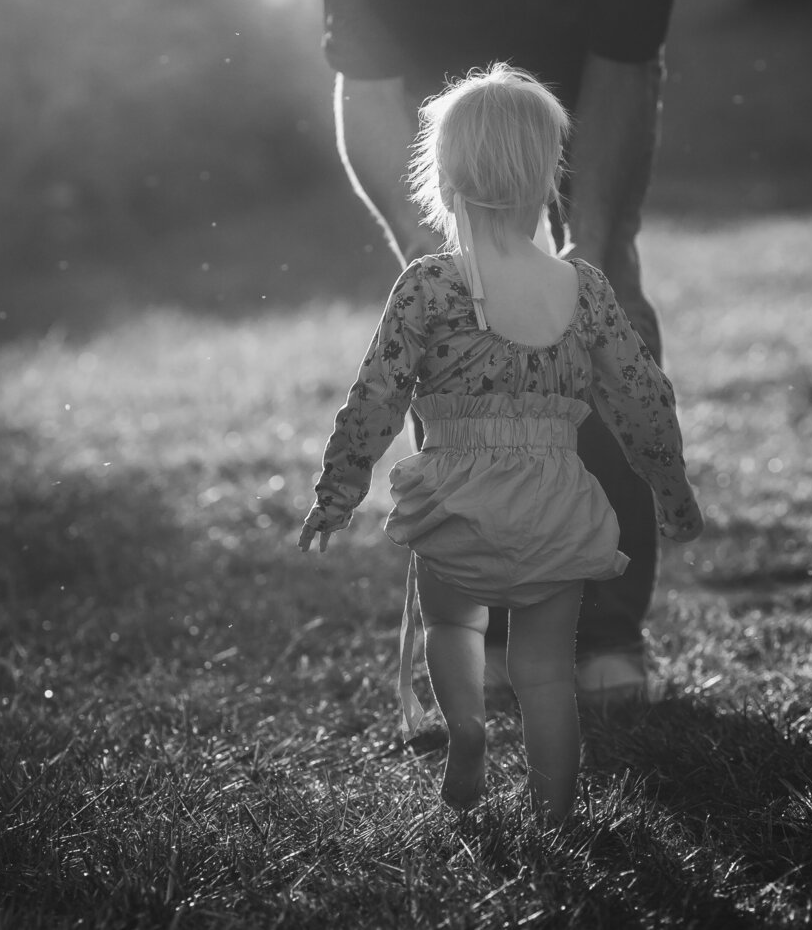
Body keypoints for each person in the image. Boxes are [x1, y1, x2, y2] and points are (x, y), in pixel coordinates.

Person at [316, 0, 690, 703]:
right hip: (437, 87)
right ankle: (470, 639)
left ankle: (607, 633)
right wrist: (444, 267)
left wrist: (595, 255)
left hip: (574, 74)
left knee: (603, 299)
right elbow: (369, 81)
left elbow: (625, 66)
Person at [298, 65, 703, 820]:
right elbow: (642, 399)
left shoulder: (426, 285)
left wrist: (338, 491)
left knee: (453, 625)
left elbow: (377, 397)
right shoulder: (583, 287)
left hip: (459, 500)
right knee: (547, 670)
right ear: (550, 177)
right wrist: (671, 490)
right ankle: (555, 814)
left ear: (440, 177)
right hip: (556, 502)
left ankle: (470, 729)